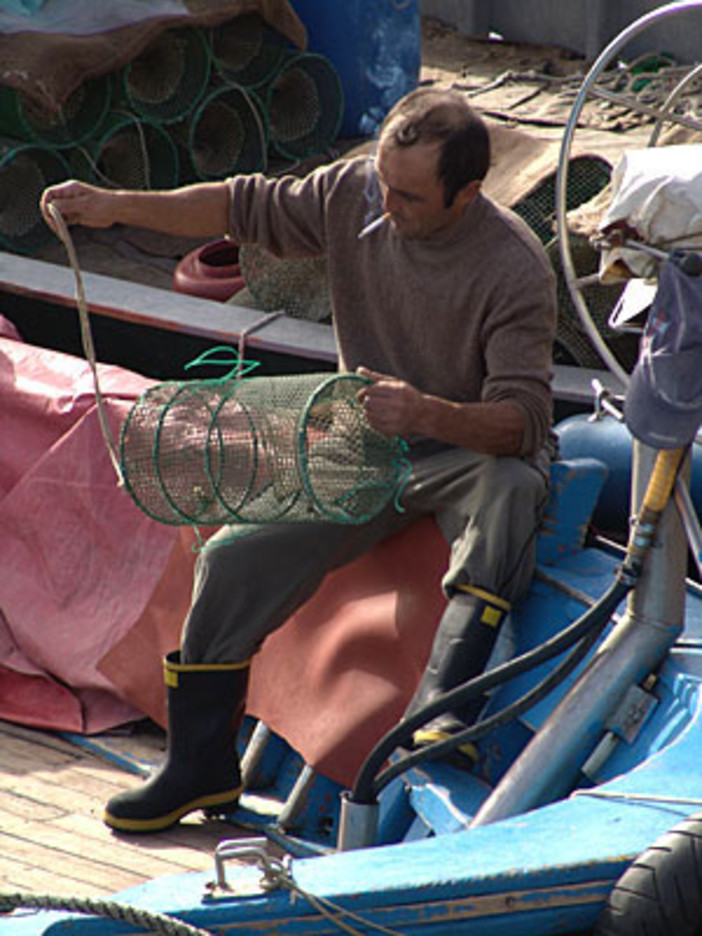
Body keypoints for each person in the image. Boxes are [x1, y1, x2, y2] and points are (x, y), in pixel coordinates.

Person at [41, 88, 557, 834]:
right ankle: (200, 769)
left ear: (467, 193)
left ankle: (448, 702)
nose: (385, 204)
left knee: (514, 485)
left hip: (465, 450)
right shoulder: (356, 193)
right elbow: (236, 208)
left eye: (408, 196)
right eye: (382, 181)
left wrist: (425, 412)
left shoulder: (514, 269)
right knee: (231, 556)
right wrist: (113, 204)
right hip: (365, 446)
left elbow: (524, 422)